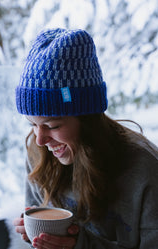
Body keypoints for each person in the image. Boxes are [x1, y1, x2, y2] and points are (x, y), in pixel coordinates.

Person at [13, 28, 158, 249]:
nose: (40, 139)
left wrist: (81, 245)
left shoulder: (145, 171)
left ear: (88, 119)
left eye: (53, 125)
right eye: (32, 124)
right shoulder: (39, 153)